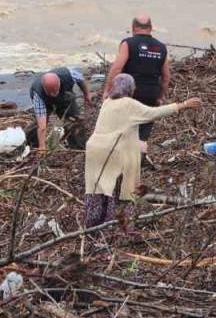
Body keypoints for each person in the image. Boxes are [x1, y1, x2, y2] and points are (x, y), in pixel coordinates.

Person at [83, 74, 202, 228]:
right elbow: (153, 113)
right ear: (132, 89)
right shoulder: (129, 104)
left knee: (98, 188)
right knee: (119, 190)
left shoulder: (107, 102)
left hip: (94, 150)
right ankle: (114, 226)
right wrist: (182, 105)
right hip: (113, 152)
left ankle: (93, 224)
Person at [103, 14, 169, 149]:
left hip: (130, 93)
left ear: (133, 28)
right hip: (151, 93)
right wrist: (160, 97)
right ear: (151, 28)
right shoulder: (161, 47)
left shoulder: (128, 43)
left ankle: (122, 161)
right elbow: (166, 77)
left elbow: (117, 68)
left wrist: (107, 90)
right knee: (143, 135)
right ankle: (139, 161)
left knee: (124, 130)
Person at [27, 66, 91, 152]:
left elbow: (81, 80)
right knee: (37, 126)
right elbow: (42, 127)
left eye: (55, 91)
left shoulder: (68, 74)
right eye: (51, 93)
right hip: (46, 102)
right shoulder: (38, 95)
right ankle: (33, 147)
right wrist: (42, 147)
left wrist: (86, 94)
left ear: (59, 83)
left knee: (75, 122)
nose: (54, 94)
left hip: (64, 97)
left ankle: (78, 149)